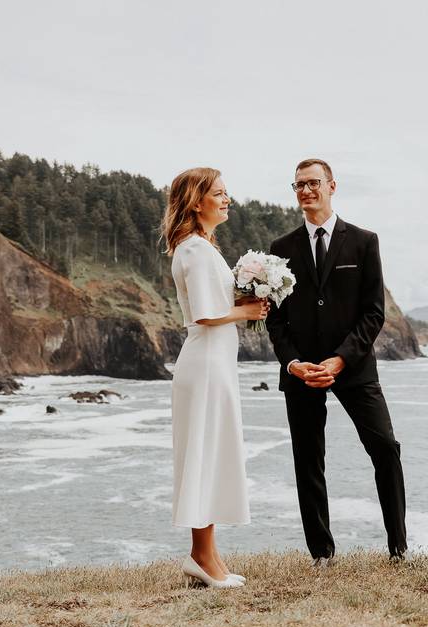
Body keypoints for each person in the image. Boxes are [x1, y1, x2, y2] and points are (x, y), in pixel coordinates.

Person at [266, 158, 407, 565]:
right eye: (298, 186)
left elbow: (373, 313)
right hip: (302, 373)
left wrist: (341, 360)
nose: (305, 191)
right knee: (308, 459)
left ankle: (398, 547)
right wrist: (292, 363)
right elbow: (275, 318)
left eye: (312, 183)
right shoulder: (281, 249)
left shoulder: (364, 242)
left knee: (385, 448)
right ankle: (321, 553)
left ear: (332, 185)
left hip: (354, 369)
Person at [161, 167, 269, 588]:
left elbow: (212, 304)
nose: (227, 200)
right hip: (205, 364)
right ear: (195, 201)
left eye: (227, 193)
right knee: (204, 456)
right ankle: (203, 559)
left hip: (213, 363)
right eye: (219, 193)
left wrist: (246, 298)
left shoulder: (202, 248)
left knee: (209, 454)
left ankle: (206, 556)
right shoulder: (195, 250)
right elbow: (205, 314)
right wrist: (246, 311)